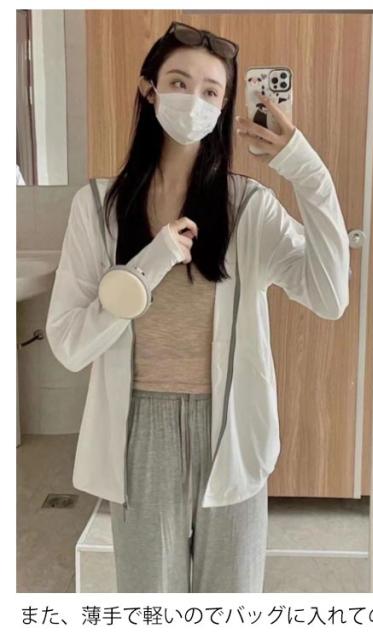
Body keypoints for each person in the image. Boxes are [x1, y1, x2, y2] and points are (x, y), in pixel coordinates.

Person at [45, 21, 350, 593]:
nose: (194, 100)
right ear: (150, 90)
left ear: (225, 106)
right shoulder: (98, 208)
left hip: (231, 427)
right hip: (141, 432)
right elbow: (68, 344)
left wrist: (306, 169)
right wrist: (152, 261)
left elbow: (330, 296)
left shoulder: (249, 207)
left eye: (211, 91)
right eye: (179, 83)